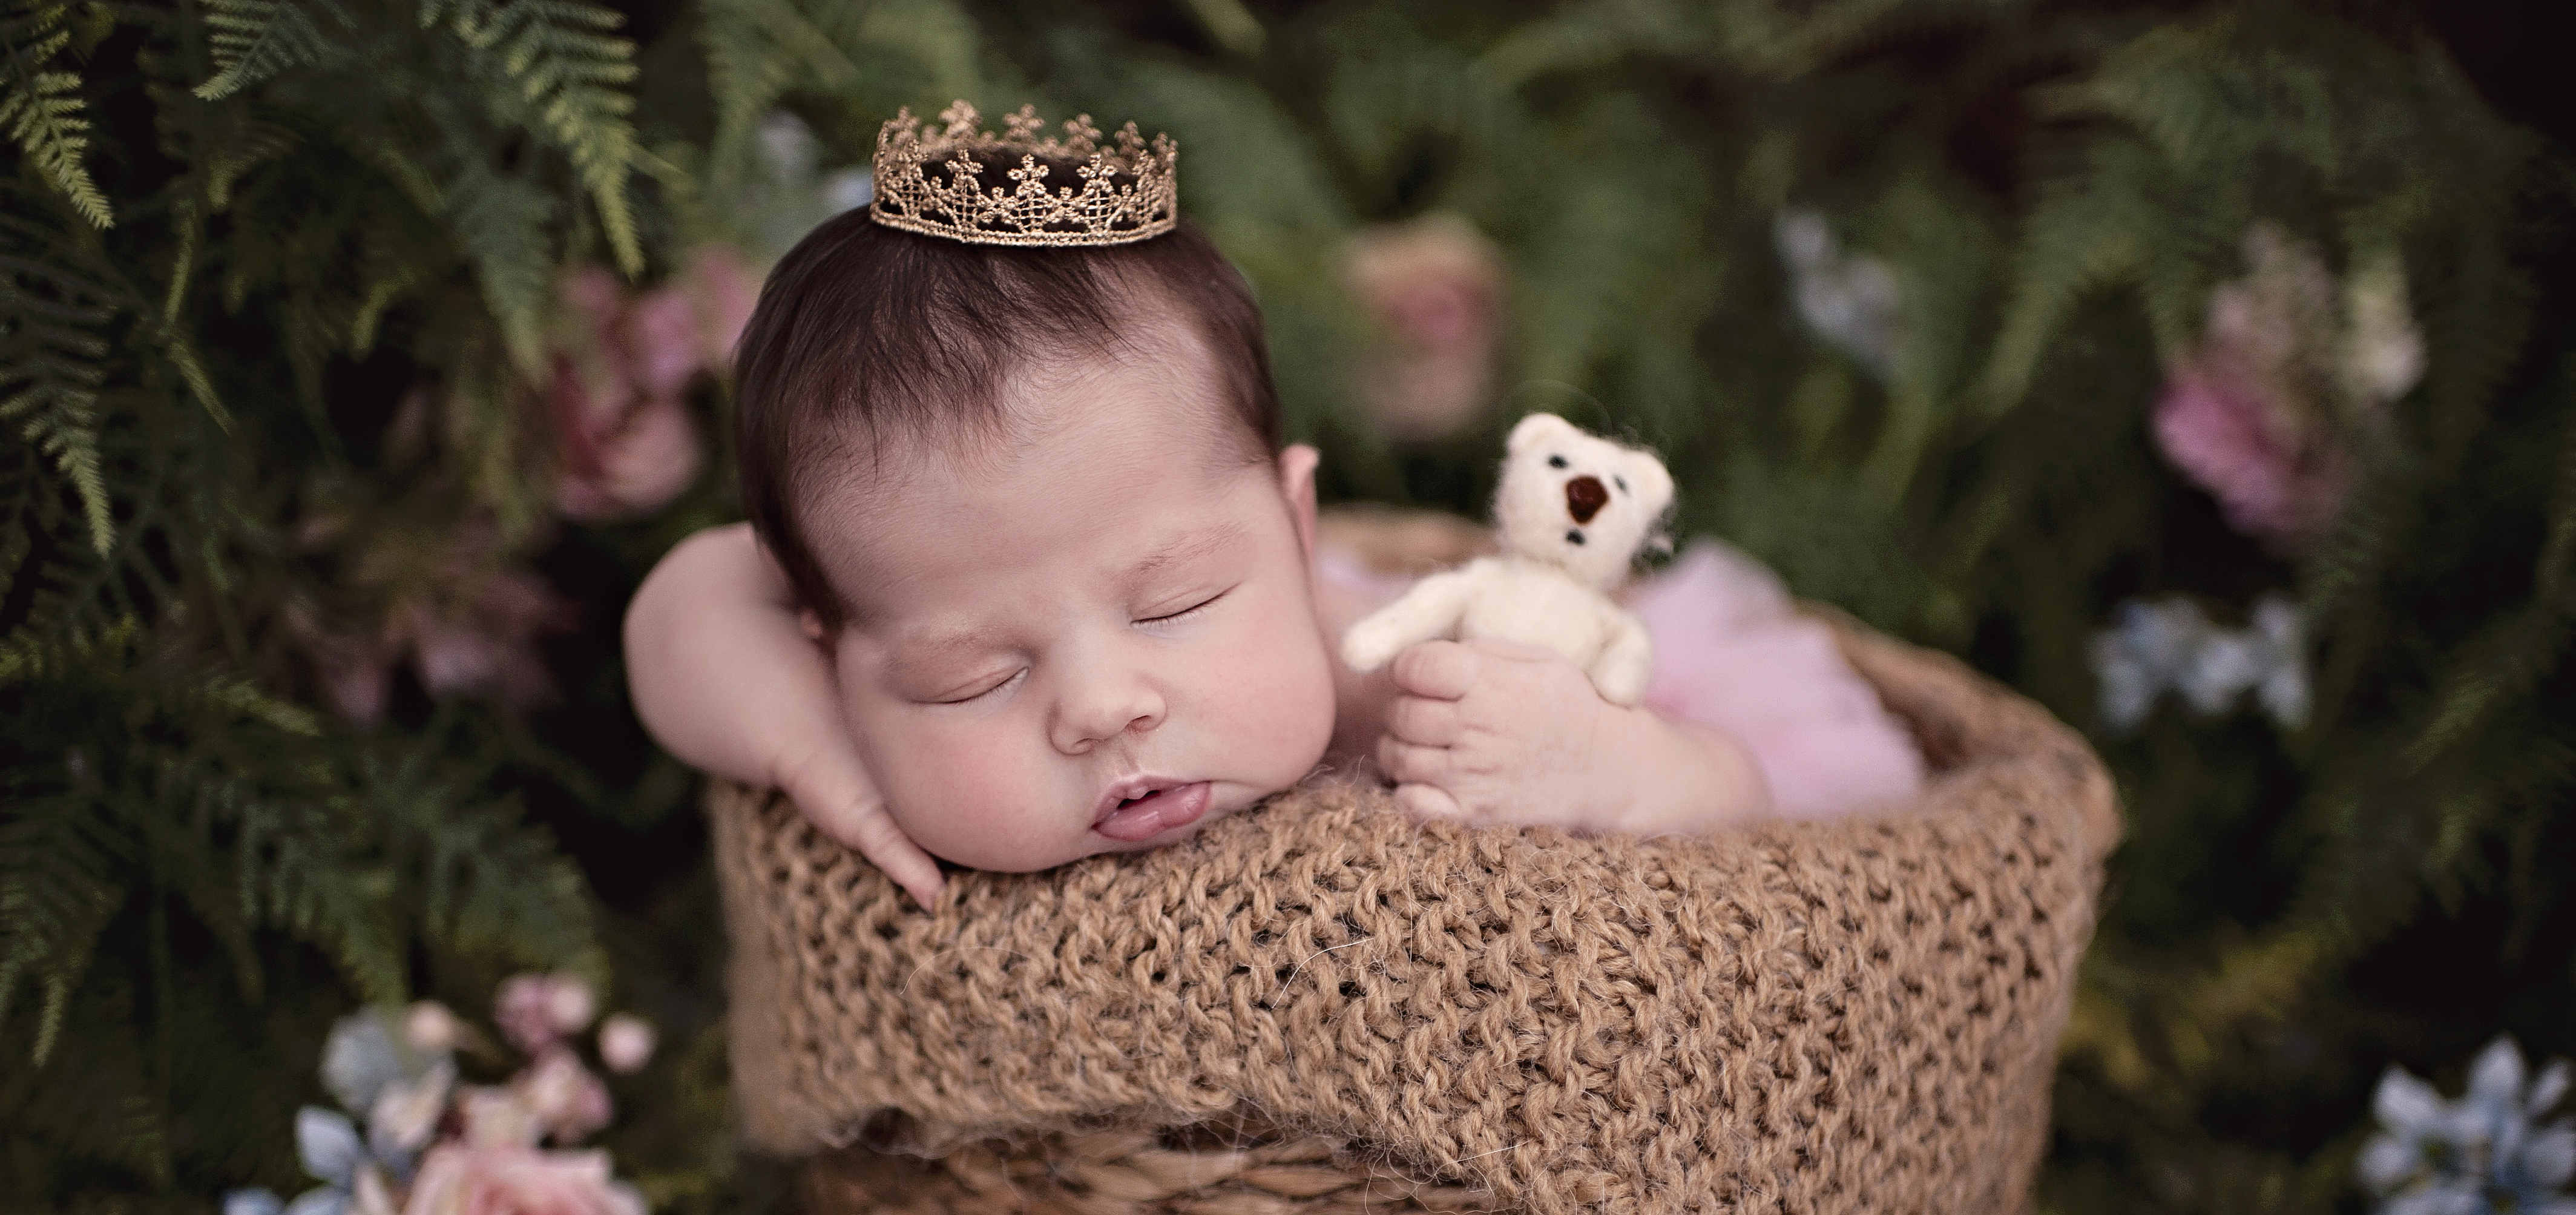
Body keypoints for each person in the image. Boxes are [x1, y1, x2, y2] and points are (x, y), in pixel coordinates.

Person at [625, 104, 1913, 910]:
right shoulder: (842, 681)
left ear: (1299, 535)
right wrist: (822, 757)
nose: (1098, 706)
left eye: (1177, 602)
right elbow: (682, 609)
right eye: (969, 676)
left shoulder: (1410, 696)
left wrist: (1621, 769)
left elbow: (1782, 814)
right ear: (831, 651)